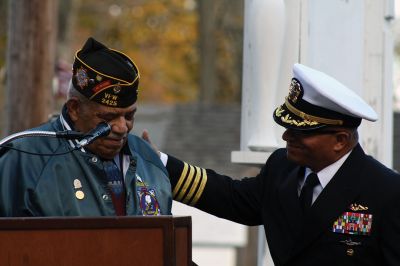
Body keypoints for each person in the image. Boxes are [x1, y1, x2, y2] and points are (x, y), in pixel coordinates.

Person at [145, 64, 400, 265]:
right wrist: (160, 165)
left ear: (340, 140)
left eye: (300, 132)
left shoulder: (387, 192)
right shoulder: (282, 168)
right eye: (287, 128)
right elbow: (232, 198)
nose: (286, 137)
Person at [0, 37, 172, 217]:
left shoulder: (149, 160)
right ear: (74, 109)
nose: (122, 127)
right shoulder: (22, 159)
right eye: (108, 117)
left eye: (129, 116)